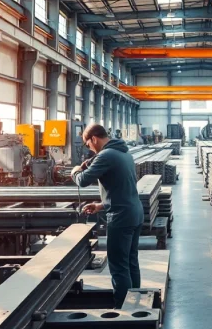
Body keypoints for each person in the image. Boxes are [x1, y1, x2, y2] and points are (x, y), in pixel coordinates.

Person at [71, 124, 144, 309]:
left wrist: (75, 171)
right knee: (130, 261)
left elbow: (83, 180)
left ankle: (123, 309)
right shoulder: (124, 152)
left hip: (121, 217)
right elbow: (122, 188)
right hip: (134, 212)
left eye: (88, 145)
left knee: (119, 266)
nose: (89, 148)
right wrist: (101, 205)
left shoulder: (106, 155)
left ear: (94, 139)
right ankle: (134, 302)